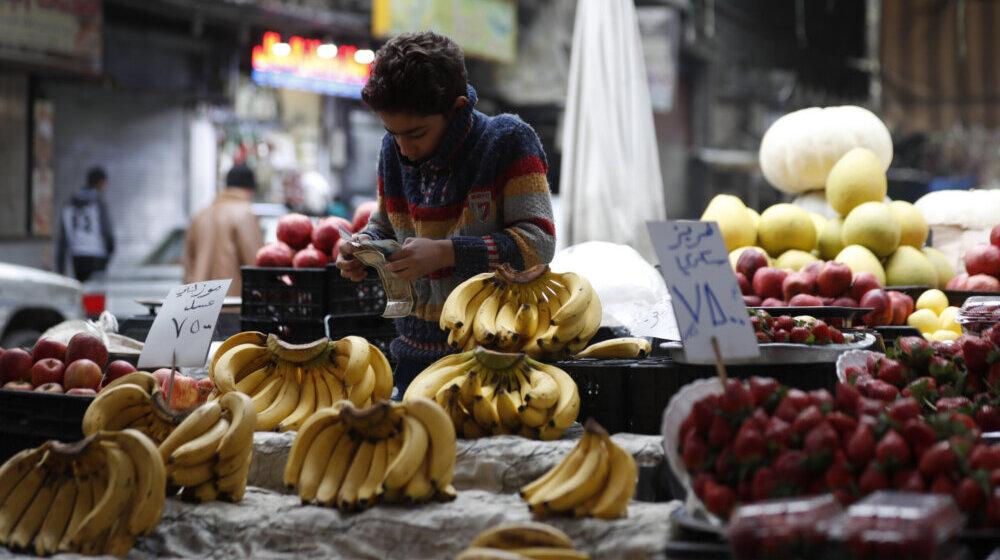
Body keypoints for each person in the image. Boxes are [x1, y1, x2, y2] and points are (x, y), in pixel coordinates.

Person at [336, 31, 556, 396]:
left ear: (455, 109)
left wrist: (448, 253)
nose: (405, 149)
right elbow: (384, 224)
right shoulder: (392, 149)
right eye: (394, 133)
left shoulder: (507, 141)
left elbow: (538, 243)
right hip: (412, 361)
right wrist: (364, 247)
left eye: (416, 133)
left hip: (498, 365)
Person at [183, 163, 264, 298]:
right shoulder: (245, 214)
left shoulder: (201, 215)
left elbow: (188, 265)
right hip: (232, 304)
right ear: (249, 189)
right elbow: (255, 264)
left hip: (198, 307)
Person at [56, 166, 116, 282]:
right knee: (96, 294)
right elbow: (107, 232)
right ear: (101, 183)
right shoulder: (98, 202)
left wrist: (60, 267)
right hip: (97, 255)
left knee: (82, 291)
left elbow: (63, 237)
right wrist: (109, 253)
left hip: (77, 255)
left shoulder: (70, 202)